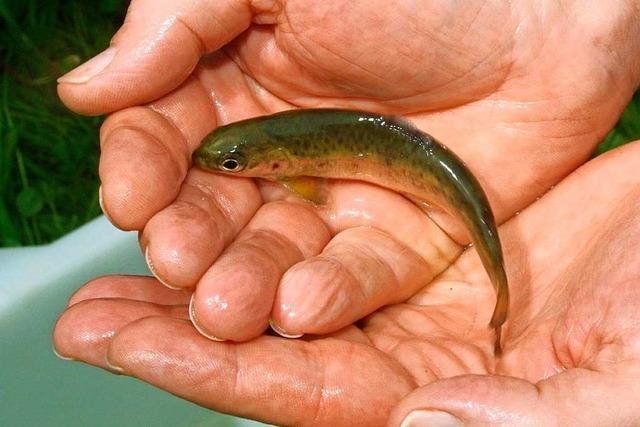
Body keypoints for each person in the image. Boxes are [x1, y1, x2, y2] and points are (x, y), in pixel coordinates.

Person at [53, 1, 640, 425]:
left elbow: (312, 184)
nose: (225, 169)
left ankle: (501, 296)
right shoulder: (283, 151)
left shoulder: (291, 162)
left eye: (235, 166)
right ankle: (501, 290)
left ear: (277, 163)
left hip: (424, 167)